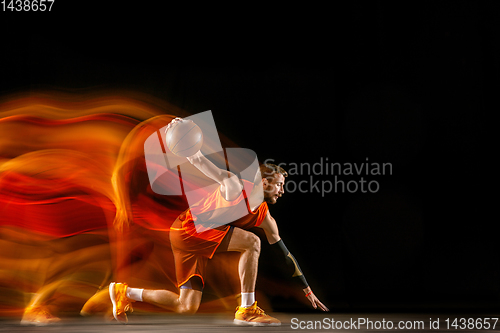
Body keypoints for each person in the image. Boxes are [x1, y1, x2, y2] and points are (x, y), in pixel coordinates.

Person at [84, 118, 328, 326]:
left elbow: (285, 254)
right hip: (188, 229)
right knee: (252, 242)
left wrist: (306, 289)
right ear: (264, 183)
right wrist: (179, 134)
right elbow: (199, 160)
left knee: (185, 306)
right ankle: (246, 310)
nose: (282, 191)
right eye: (280, 185)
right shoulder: (234, 186)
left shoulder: (265, 217)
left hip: (189, 235)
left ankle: (123, 292)